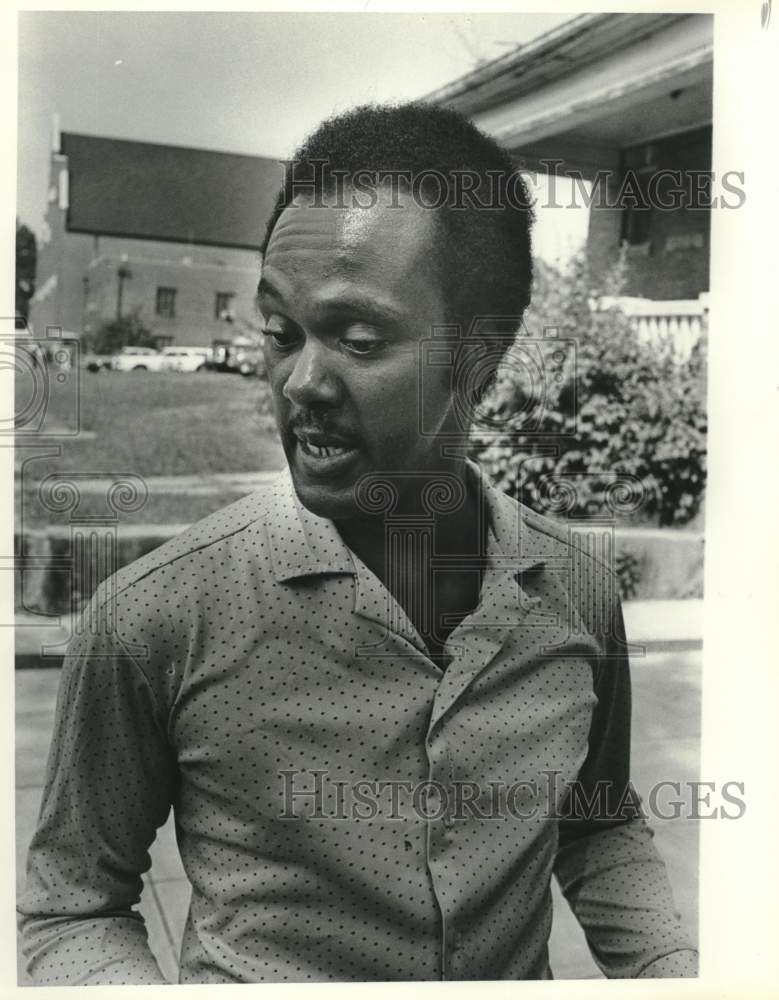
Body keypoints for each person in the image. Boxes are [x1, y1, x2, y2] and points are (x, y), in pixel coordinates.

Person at [18, 102, 697, 984]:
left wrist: (680, 972)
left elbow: (597, 821)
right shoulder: (155, 618)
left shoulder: (576, 592)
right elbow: (72, 903)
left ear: (482, 358)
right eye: (277, 332)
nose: (300, 382)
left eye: (359, 337)